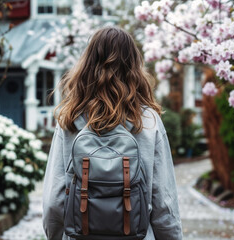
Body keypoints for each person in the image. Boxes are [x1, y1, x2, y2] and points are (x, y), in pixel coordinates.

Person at [42, 26, 182, 240]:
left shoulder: (69, 119)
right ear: (134, 66)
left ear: (87, 65)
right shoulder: (148, 120)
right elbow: (164, 201)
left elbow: (54, 201)